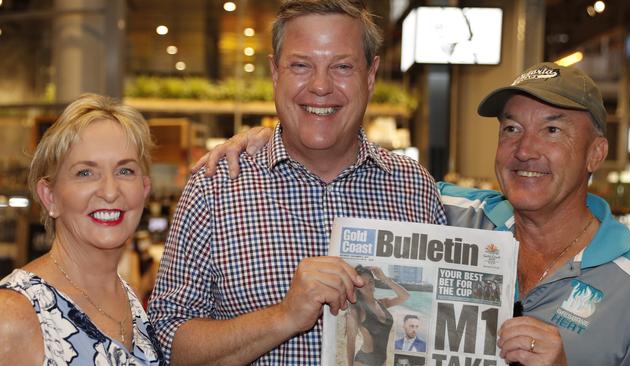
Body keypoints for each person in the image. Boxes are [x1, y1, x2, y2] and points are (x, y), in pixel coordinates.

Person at [199, 62, 630, 366]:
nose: (524, 149)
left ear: (596, 153)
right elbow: (353, 165)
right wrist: (279, 135)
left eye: (552, 129)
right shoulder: (453, 211)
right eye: (511, 128)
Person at [147, 1, 447, 365]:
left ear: (370, 75)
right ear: (275, 73)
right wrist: (284, 316)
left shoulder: (414, 187)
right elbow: (168, 344)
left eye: (342, 66)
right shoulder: (216, 188)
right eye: (301, 65)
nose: (321, 86)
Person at [0, 93, 165, 365]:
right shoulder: (15, 314)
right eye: (85, 173)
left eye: (125, 171)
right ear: (50, 196)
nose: (110, 192)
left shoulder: (131, 299)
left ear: (144, 190)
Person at [346, 266, 408, 365]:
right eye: (363, 284)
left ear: (374, 282)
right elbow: (350, 342)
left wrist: (384, 278)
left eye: (370, 281)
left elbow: (405, 296)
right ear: (357, 287)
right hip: (364, 361)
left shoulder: (382, 303)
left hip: (383, 360)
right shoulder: (355, 310)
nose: (368, 286)